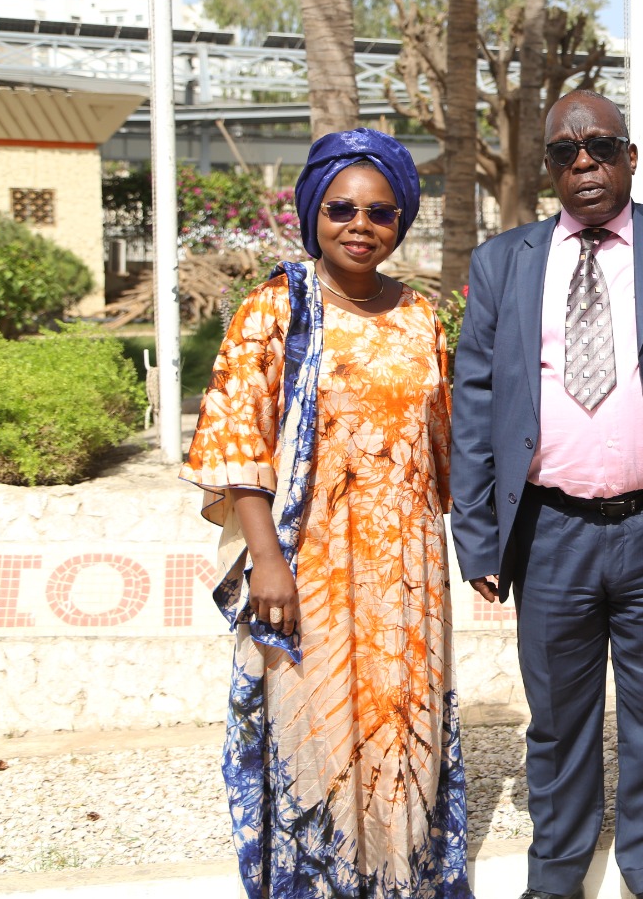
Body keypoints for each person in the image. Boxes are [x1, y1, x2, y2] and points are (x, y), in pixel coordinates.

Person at [449, 90, 643, 899]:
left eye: (601, 147)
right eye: (564, 152)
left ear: (630, 157)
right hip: (549, 532)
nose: (584, 163)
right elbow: (475, 401)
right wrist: (477, 534)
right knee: (557, 720)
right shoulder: (504, 262)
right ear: (548, 167)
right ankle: (557, 875)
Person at [182, 128, 469, 899]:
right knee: (316, 733)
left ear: (400, 220)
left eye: (380, 212)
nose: (360, 225)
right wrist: (267, 561)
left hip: (407, 577)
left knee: (404, 733)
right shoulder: (275, 309)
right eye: (341, 208)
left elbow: (442, 450)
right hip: (308, 567)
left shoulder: (420, 318)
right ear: (313, 212)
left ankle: (402, 881)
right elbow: (238, 443)